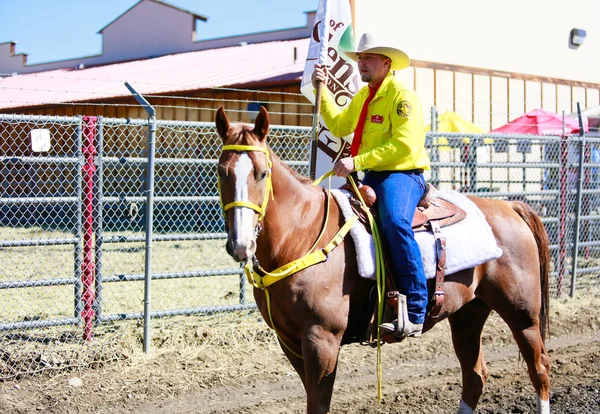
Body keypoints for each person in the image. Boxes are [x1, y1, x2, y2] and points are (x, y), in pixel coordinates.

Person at [311, 32, 431, 339]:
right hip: (373, 175)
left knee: (394, 221)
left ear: (386, 63)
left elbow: (403, 145)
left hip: (403, 175)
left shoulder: (402, 97)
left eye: (368, 58)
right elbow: (338, 125)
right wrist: (321, 89)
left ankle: (416, 308)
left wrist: (356, 162)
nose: (361, 63)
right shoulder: (364, 96)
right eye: (360, 58)